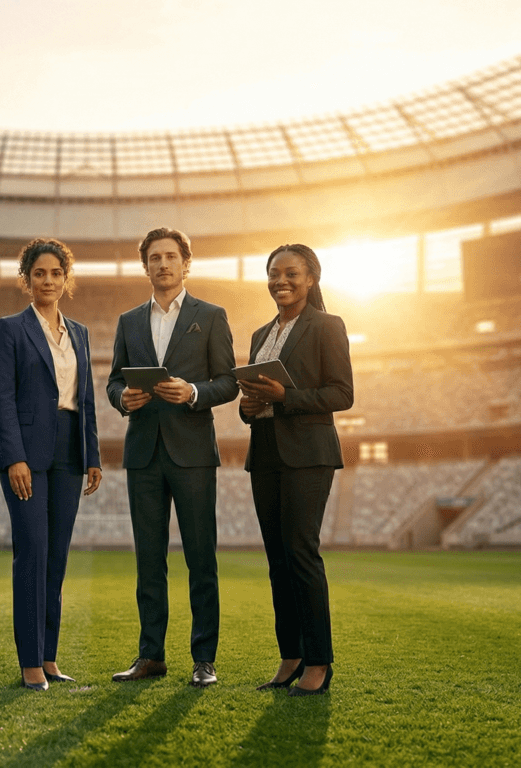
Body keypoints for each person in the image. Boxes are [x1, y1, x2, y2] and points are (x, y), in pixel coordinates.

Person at [106, 227, 239, 688]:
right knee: (149, 562)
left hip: (193, 454)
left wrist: (193, 391)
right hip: (144, 453)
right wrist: (123, 399)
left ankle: (204, 659)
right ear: (145, 266)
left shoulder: (212, 315)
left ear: (186, 263)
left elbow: (229, 381)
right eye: (154, 258)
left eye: (170, 257)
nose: (162, 264)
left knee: (201, 559)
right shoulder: (128, 321)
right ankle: (151, 656)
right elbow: (112, 383)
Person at [238, 243, 353, 697]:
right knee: (277, 562)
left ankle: (318, 662)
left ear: (310, 279)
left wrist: (286, 398)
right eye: (273, 273)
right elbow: (253, 404)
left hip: (308, 453)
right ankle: (290, 655)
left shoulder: (328, 326)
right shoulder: (259, 334)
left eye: (290, 273)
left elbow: (342, 394)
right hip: (265, 453)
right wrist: (248, 406)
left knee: (302, 555)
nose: (280, 280)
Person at [0, 238, 103, 691]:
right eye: (40, 273)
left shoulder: (79, 333)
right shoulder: (10, 329)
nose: (49, 280)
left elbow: (87, 398)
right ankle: (30, 662)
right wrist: (14, 455)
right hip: (28, 455)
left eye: (57, 273)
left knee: (56, 558)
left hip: (69, 454)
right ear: (26, 280)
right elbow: (2, 397)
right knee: (33, 554)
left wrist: (92, 455)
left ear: (66, 279)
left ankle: (50, 657)